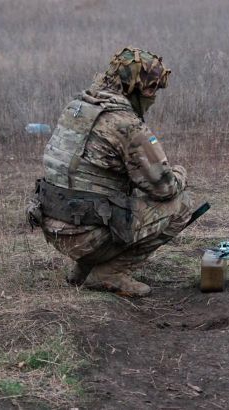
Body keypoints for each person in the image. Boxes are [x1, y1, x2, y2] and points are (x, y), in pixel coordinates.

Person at [27, 46, 193, 297]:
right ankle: (110, 273)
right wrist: (181, 173)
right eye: (151, 90)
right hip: (84, 235)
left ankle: (83, 269)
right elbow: (164, 187)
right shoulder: (125, 123)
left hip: (53, 226)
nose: (154, 97)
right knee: (180, 205)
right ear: (136, 88)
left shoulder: (78, 106)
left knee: (110, 196)